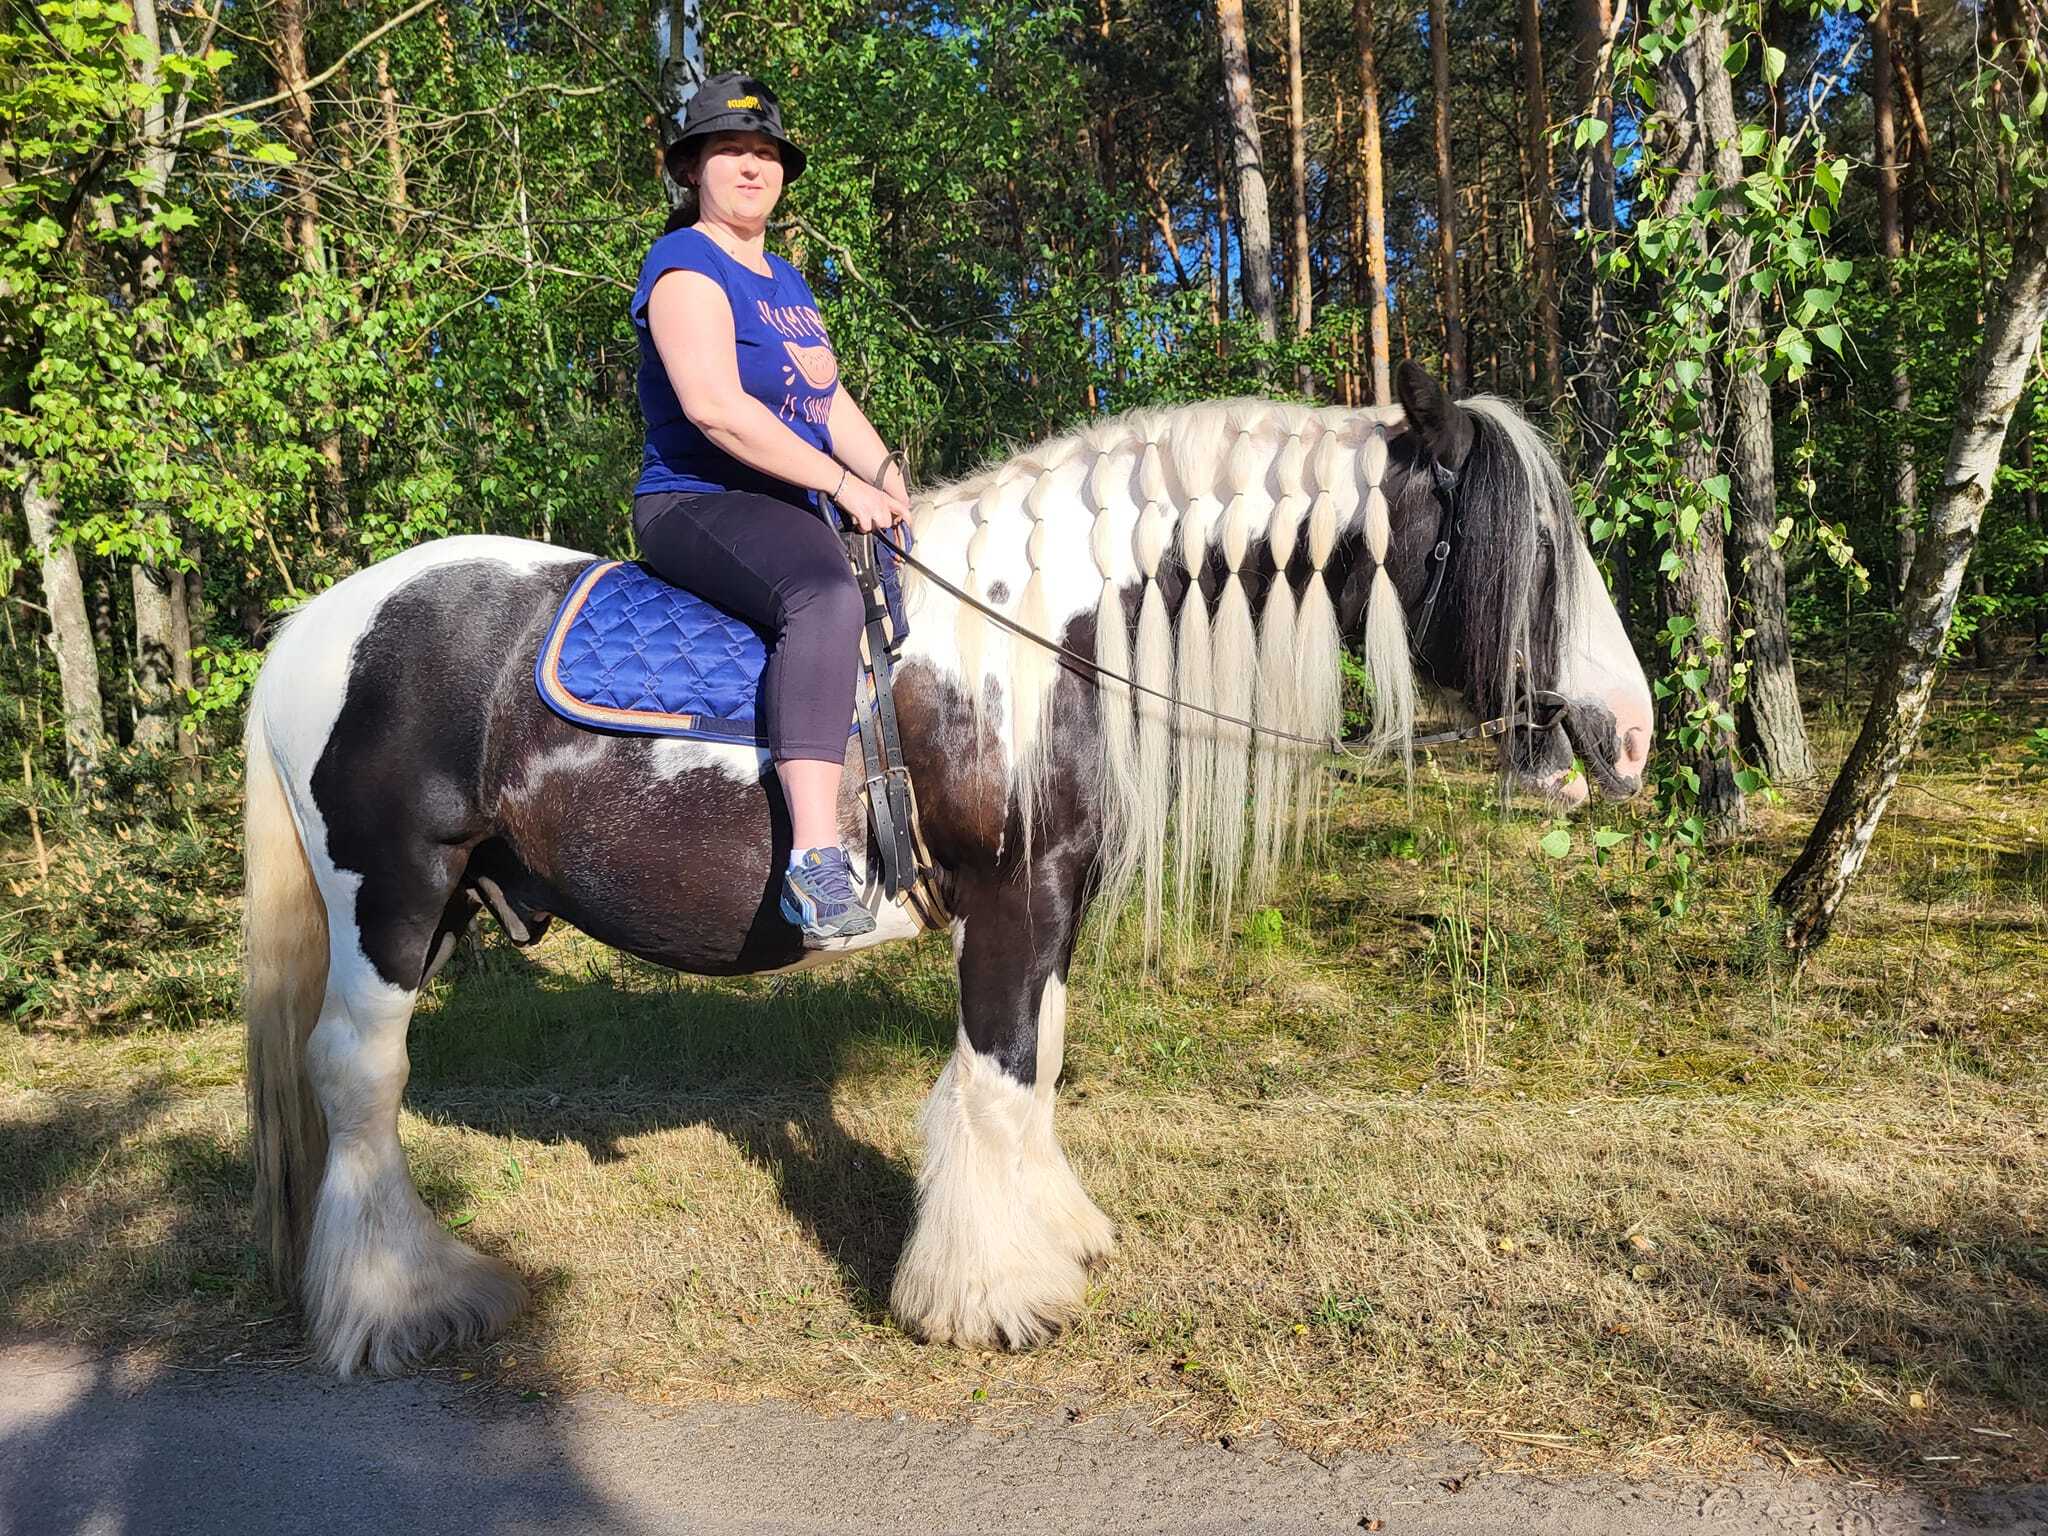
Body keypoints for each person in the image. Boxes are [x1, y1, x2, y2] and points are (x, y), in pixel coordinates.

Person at [630, 74, 908, 944]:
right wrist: (839, 485)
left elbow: (825, 401)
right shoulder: (684, 267)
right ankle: (816, 863)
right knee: (822, 596)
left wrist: (891, 478)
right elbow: (717, 408)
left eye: (765, 153)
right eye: (730, 151)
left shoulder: (784, 278)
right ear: (692, 170)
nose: (752, 166)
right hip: (698, 498)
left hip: (787, 500)